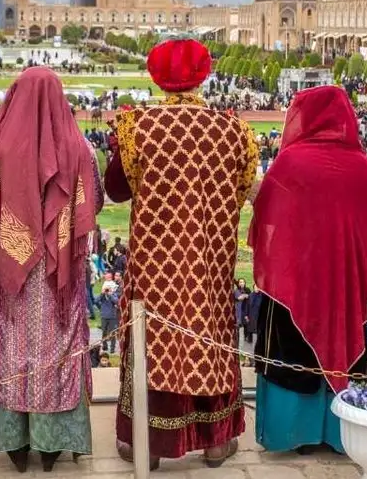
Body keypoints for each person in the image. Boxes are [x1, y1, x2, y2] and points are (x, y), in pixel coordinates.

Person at [105, 39, 258, 469]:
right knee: (208, 336)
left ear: (157, 78)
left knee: (155, 341)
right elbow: (244, 190)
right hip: (209, 262)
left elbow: (116, 190)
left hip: (157, 266)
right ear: (203, 76)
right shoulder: (234, 131)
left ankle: (149, 444)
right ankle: (215, 442)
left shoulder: (139, 127)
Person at [249, 85, 367, 454]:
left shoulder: (291, 162)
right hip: (344, 283)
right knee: (345, 343)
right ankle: (339, 432)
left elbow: (266, 215)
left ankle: (295, 432)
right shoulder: (360, 165)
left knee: (293, 352)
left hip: (297, 281)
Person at [0, 67, 104, 472]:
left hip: (12, 273)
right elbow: (94, 202)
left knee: (12, 348)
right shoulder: (79, 148)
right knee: (57, 348)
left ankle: (14, 442)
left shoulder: (0, 145)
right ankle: (53, 445)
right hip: (58, 272)